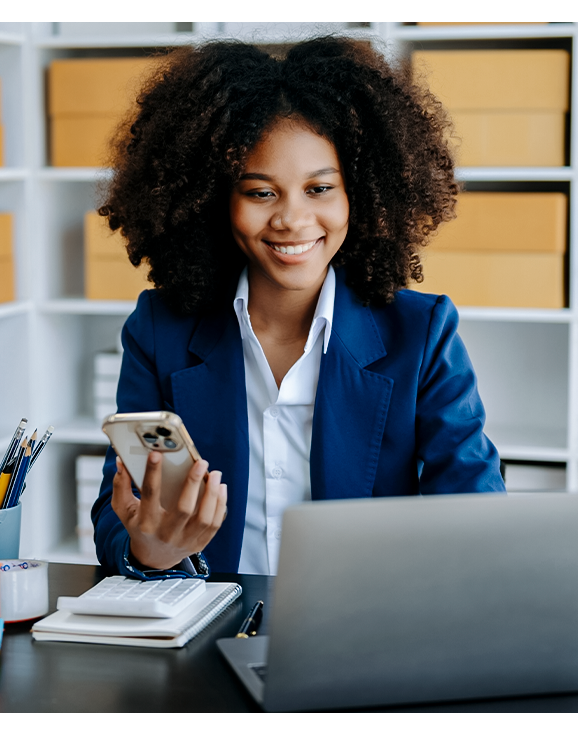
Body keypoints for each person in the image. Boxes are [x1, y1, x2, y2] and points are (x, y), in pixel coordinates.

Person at [91, 36, 506, 581]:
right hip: (210, 633)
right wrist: (151, 550)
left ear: (360, 193)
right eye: (261, 192)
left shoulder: (422, 333)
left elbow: (479, 514)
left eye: (319, 188)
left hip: (362, 631)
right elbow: (116, 515)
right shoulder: (158, 331)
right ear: (215, 200)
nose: (291, 219)